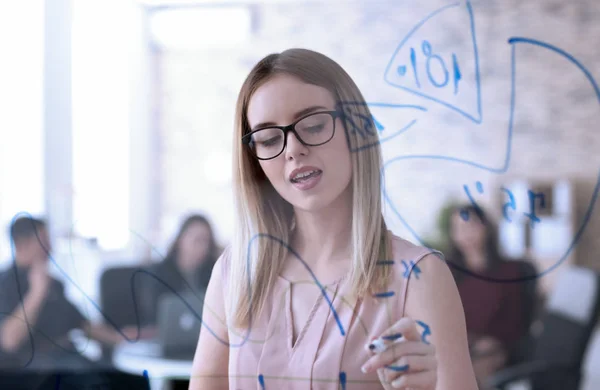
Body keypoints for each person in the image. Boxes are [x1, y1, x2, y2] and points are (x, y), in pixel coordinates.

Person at [190, 48, 477, 389]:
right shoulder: (233, 272)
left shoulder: (418, 277)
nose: (293, 149)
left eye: (313, 125)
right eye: (268, 139)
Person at [0, 216, 136, 389]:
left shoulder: (54, 284)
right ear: (22, 244)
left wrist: (122, 338)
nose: (49, 248)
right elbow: (10, 341)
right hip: (33, 369)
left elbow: (82, 324)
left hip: (68, 359)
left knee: (129, 378)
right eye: (43, 241)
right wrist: (37, 293)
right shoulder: (5, 284)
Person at [445, 204, 531, 387]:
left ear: (486, 227)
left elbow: (517, 320)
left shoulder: (510, 271)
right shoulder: (447, 273)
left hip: (496, 349)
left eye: (471, 226)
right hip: (457, 346)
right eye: (460, 228)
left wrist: (491, 342)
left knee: (469, 374)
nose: (467, 234)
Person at [136, 213, 220, 332]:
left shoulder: (213, 273)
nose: (203, 247)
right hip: (163, 339)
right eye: (197, 240)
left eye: (207, 241)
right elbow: (152, 318)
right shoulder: (158, 274)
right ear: (180, 240)